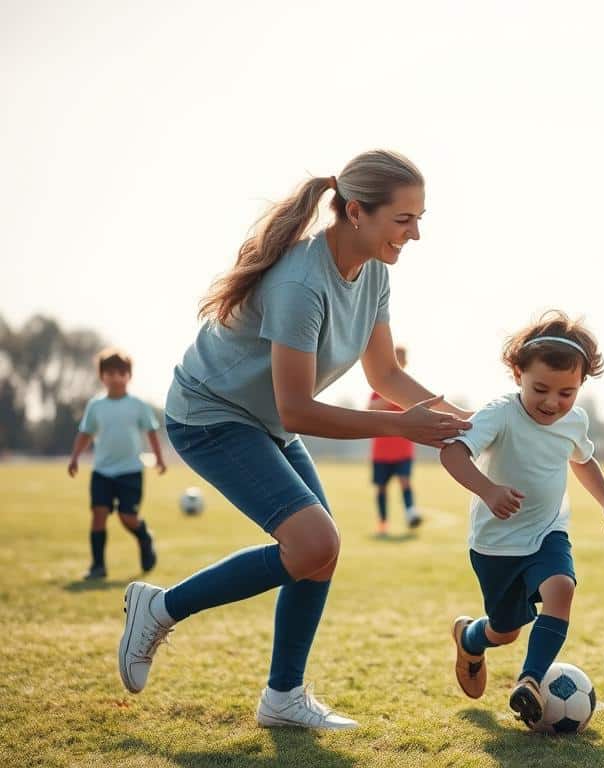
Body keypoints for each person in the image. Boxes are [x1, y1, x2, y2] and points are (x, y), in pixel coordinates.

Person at [117, 149, 471, 730]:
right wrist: (397, 426)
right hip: (211, 415)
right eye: (405, 219)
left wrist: (462, 421)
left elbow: (384, 375)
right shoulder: (301, 282)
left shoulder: (375, 271)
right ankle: (158, 608)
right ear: (356, 212)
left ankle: (283, 697)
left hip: (265, 421)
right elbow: (298, 407)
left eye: (420, 217)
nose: (416, 233)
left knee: (320, 551)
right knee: (312, 543)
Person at [442, 311, 604, 729]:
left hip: (548, 532)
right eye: (540, 388)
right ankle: (469, 638)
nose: (552, 403)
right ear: (517, 374)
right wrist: (488, 491)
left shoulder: (573, 421)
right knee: (504, 631)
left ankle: (530, 679)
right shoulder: (499, 414)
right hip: (496, 545)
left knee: (561, 587)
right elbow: (453, 452)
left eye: (567, 393)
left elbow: (583, 460)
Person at [67, 348, 166, 580]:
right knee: (98, 515)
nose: (115, 377)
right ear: (102, 376)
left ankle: (144, 537)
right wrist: (74, 458)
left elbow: (151, 432)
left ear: (128, 376)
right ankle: (98, 566)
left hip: (130, 470)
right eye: (110, 372)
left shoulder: (138, 405)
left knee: (127, 517)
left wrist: (159, 458)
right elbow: (85, 433)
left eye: (121, 372)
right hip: (102, 470)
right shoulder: (96, 406)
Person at [368, 345, 422, 534]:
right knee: (381, 488)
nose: (398, 361)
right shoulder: (380, 386)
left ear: (405, 362)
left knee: (405, 482)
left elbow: (417, 408)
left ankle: (411, 514)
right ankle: (383, 523)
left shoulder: (410, 387)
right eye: (395, 358)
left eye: (401, 358)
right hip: (381, 451)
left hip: (403, 448)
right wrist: (391, 397)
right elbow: (370, 407)